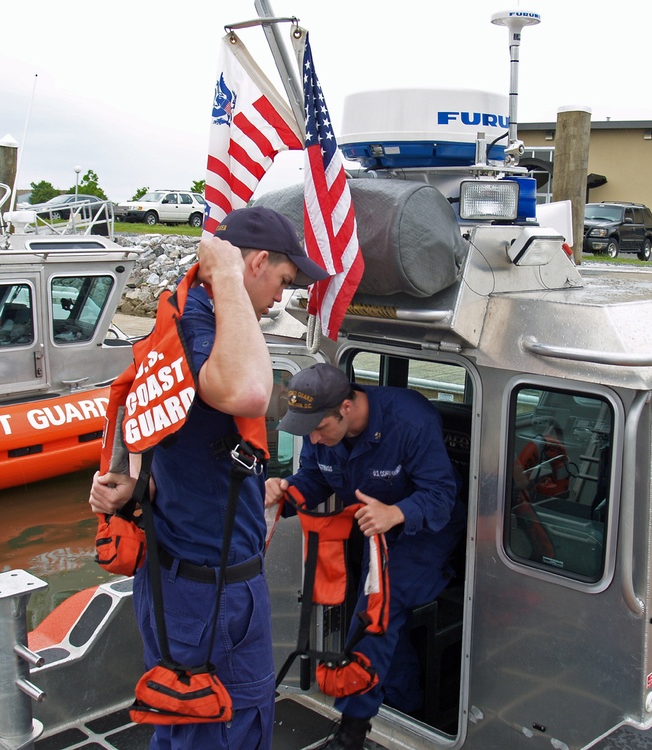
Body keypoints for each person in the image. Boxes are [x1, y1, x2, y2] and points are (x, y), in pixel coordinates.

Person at [88, 205, 329, 750]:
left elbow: (150, 414)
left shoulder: (179, 319)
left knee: (185, 724)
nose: (282, 299)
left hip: (186, 580)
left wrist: (129, 478)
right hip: (210, 593)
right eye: (284, 282)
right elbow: (247, 394)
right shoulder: (204, 319)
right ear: (258, 261)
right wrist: (224, 274)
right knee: (225, 727)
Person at [265, 363, 466, 750]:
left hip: (425, 530)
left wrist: (397, 513)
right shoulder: (319, 430)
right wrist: (285, 490)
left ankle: (352, 732)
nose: (316, 440)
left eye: (320, 430)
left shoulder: (410, 420)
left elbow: (441, 494)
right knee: (380, 619)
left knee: (378, 612)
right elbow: (317, 478)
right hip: (372, 529)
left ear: (345, 407)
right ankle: (404, 703)